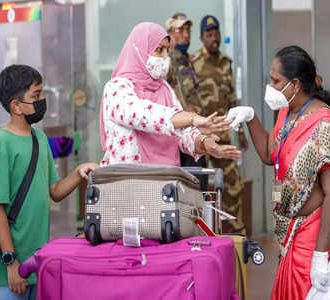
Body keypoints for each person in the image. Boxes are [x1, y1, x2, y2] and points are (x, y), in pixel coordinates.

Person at [226, 46, 330, 300]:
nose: (270, 86)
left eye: (276, 81)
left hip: (315, 235)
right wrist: (250, 117)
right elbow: (269, 154)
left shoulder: (324, 123)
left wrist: (320, 257)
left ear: (295, 84)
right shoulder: (287, 112)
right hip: (291, 233)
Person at [0, 65, 99, 300]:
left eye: (42, 94)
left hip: (37, 262)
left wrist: (79, 172)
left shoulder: (39, 138)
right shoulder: (3, 144)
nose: (42, 101)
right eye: (35, 96)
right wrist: (10, 262)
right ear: (16, 106)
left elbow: (55, 191)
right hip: (11, 268)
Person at [100, 22, 242, 168]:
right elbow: (142, 115)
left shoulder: (165, 89)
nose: (165, 57)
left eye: (167, 50)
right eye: (159, 50)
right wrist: (192, 118)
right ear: (139, 50)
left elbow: (180, 134)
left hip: (166, 182)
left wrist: (203, 143)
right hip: (129, 185)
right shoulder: (116, 88)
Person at [191, 15, 248, 233]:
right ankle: (202, 235)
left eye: (216, 33)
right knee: (199, 189)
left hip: (224, 137)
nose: (214, 38)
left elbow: (232, 100)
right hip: (201, 139)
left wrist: (240, 131)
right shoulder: (193, 64)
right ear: (202, 37)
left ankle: (237, 234)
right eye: (209, 34)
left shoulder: (226, 63)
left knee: (234, 187)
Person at [165, 13, 207, 188]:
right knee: (190, 188)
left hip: (195, 131)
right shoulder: (167, 61)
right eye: (180, 30)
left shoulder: (186, 60)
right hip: (180, 135)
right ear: (170, 33)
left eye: (188, 29)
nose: (186, 34)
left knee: (200, 186)